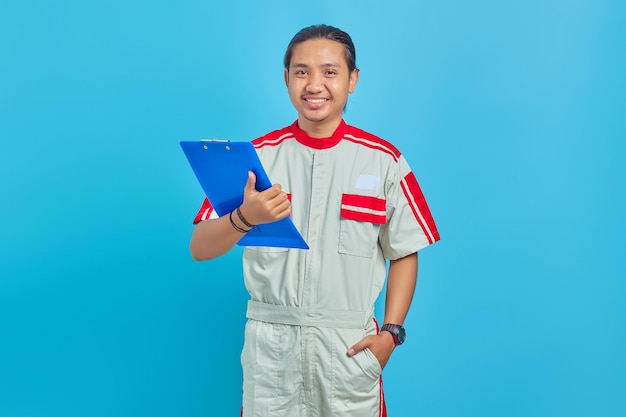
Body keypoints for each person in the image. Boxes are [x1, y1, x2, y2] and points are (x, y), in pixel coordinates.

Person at [189, 24, 440, 417]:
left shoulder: (383, 160)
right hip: (271, 348)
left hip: (348, 346)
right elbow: (199, 247)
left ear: (352, 79)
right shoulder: (256, 158)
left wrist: (391, 333)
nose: (314, 84)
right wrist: (243, 217)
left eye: (330, 71)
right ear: (286, 78)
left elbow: (405, 251)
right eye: (302, 71)